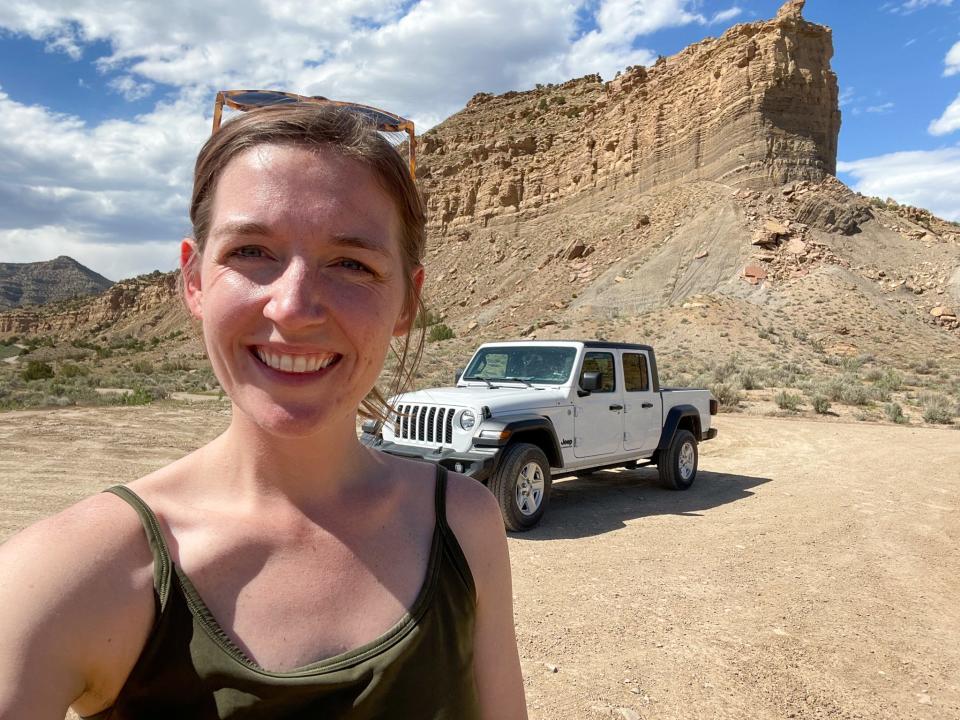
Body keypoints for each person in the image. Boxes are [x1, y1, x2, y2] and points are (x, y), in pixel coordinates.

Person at [0, 101, 528, 719]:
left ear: (408, 302)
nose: (294, 307)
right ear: (194, 281)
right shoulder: (70, 574)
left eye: (352, 264)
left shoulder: (464, 522)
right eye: (251, 251)